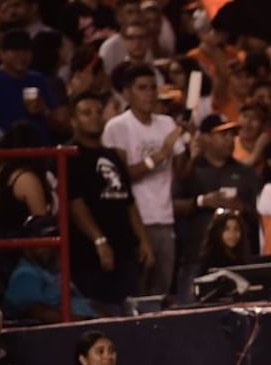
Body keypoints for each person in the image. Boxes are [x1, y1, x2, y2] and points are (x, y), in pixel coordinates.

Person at [102, 64, 187, 297]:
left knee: (163, 290)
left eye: (152, 88)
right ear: (127, 93)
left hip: (165, 218)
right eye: (142, 88)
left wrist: (188, 147)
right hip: (135, 221)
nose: (149, 93)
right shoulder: (117, 127)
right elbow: (119, 177)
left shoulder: (166, 123)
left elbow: (181, 173)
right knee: (138, 290)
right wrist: (158, 157)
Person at [68, 91, 154, 312]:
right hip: (89, 254)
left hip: (124, 249)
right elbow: (75, 203)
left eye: (98, 112)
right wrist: (99, 240)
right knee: (100, 312)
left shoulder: (113, 156)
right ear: (73, 120)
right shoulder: (69, 156)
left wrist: (143, 240)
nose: (94, 117)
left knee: (130, 311)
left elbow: (128, 201)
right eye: (86, 113)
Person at [172, 113, 258, 302]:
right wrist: (202, 201)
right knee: (192, 313)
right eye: (223, 134)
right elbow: (172, 205)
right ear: (205, 137)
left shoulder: (245, 172)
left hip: (237, 261)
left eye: (232, 135)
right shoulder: (191, 170)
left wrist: (242, 208)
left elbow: (258, 213)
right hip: (196, 258)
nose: (230, 140)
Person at [3, 244, 100, 321]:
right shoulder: (25, 274)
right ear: (27, 248)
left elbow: (86, 302)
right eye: (41, 243)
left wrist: (103, 319)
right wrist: (86, 321)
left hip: (92, 326)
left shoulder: (51, 271)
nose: (49, 247)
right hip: (69, 332)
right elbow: (38, 313)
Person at [199, 208, 255, 273]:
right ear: (218, 232)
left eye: (236, 229)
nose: (232, 234)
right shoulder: (209, 262)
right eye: (227, 229)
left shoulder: (243, 258)